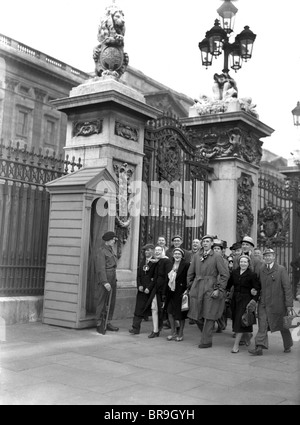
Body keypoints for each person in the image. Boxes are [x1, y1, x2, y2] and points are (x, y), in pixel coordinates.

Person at [248, 248, 294, 356]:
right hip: (263, 303)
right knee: (262, 325)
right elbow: (257, 284)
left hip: (278, 304)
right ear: (263, 257)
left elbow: (287, 288)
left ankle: (288, 344)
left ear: (274, 257)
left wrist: (289, 305)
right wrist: (254, 290)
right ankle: (259, 347)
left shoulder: (281, 269)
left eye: (270, 255)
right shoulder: (261, 268)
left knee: (282, 325)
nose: (268, 257)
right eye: (266, 256)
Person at [187, 234, 230, 348]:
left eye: (207, 241)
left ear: (211, 244)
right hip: (197, 286)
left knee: (209, 314)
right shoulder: (196, 256)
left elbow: (225, 274)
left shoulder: (216, 256)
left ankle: (206, 340)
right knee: (195, 314)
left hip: (210, 287)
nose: (205, 243)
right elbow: (190, 273)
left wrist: (219, 289)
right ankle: (207, 333)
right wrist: (191, 285)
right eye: (204, 241)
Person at [226, 254, 261, 353]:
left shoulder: (252, 274)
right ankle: (247, 335)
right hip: (235, 299)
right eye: (241, 261)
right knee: (236, 320)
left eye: (245, 262)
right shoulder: (234, 272)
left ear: (248, 263)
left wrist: (254, 299)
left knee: (239, 321)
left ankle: (235, 345)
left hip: (246, 299)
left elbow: (257, 289)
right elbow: (229, 285)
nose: (243, 263)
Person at [129, 244, 156, 335]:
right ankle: (135, 328)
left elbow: (155, 277)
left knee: (154, 310)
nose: (146, 252)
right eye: (145, 250)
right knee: (138, 308)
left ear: (152, 251)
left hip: (151, 290)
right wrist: (139, 285)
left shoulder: (155, 262)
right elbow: (139, 275)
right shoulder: (142, 262)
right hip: (142, 290)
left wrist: (149, 288)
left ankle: (157, 329)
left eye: (148, 250)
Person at [95, 231, 119, 334]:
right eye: (113, 239)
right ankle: (99, 323)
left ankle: (108, 322)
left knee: (111, 301)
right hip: (106, 280)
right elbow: (100, 268)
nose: (114, 241)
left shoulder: (111, 250)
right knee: (102, 301)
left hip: (112, 278)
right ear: (108, 240)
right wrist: (105, 282)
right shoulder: (102, 251)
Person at [147, 245, 172, 338]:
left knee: (166, 311)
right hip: (156, 289)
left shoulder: (167, 261)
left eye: (159, 250)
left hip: (164, 290)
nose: (157, 252)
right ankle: (155, 330)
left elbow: (168, 277)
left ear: (163, 251)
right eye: (156, 250)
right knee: (154, 308)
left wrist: (164, 292)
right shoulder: (156, 261)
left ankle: (176, 330)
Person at [165, 248, 190, 342]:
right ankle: (172, 331)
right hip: (170, 291)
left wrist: (187, 289)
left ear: (182, 255)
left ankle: (180, 333)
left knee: (180, 314)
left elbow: (189, 277)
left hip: (181, 292)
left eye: (179, 254)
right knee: (170, 312)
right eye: (175, 253)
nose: (177, 255)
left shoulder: (186, 265)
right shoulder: (170, 264)